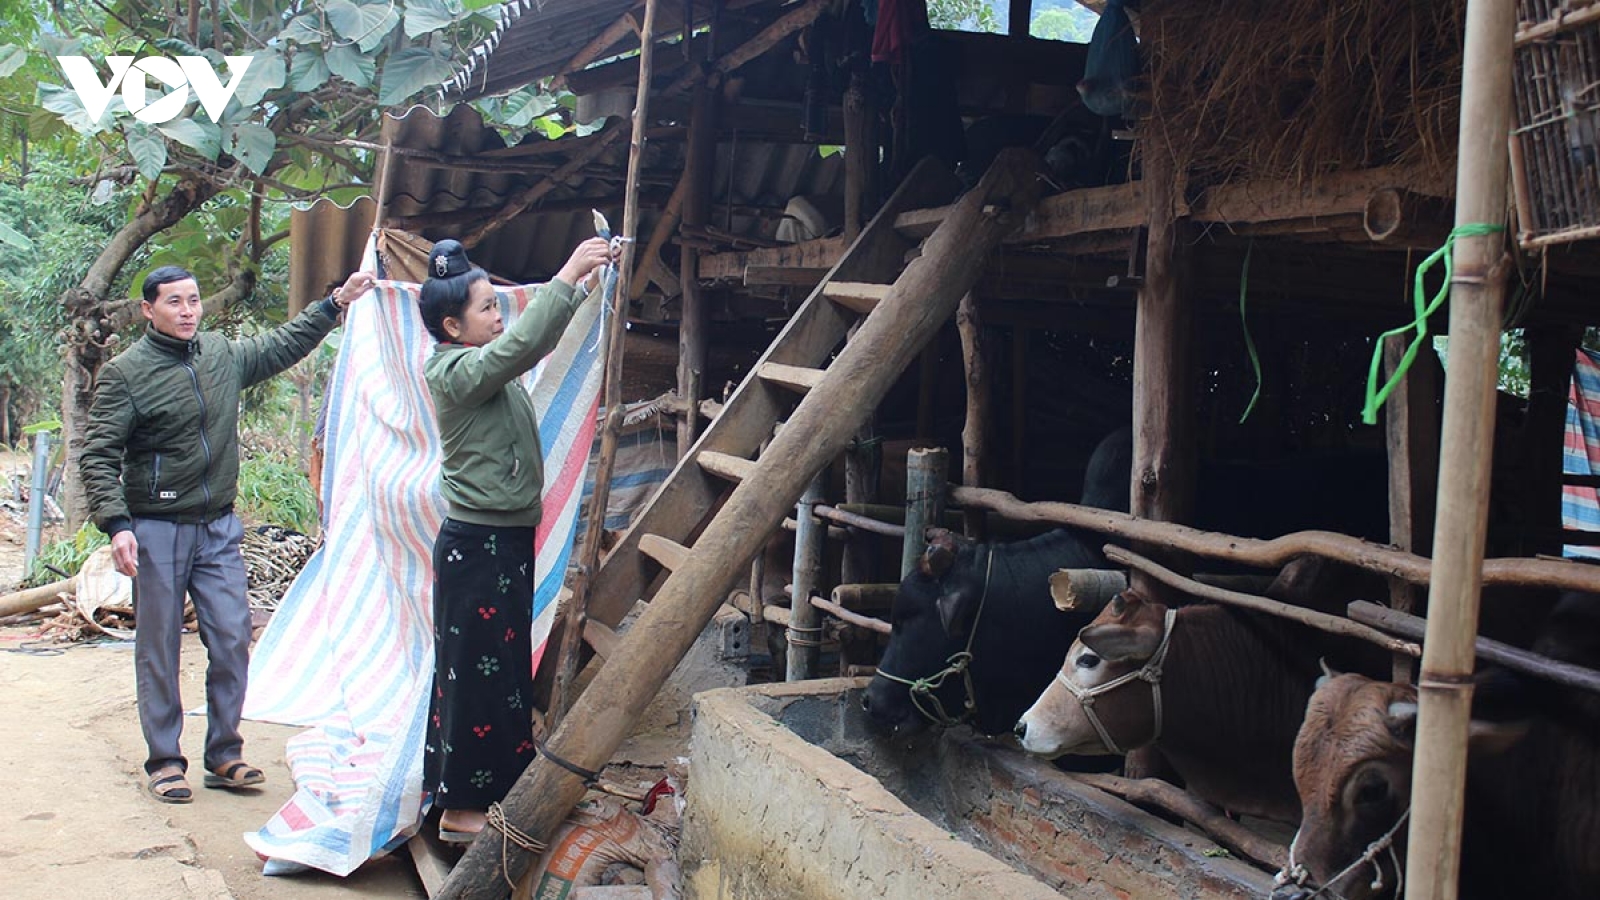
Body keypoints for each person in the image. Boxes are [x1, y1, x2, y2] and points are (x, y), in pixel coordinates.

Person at [81, 266, 376, 804]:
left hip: (216, 525)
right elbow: (98, 455)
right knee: (159, 646)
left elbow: (280, 345)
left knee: (233, 638)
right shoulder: (126, 373)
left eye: (193, 300)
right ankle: (166, 760)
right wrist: (118, 525)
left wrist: (333, 304)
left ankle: (224, 753)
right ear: (149, 310)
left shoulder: (219, 354)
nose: (188, 310)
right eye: (175, 302)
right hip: (157, 527)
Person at [419, 236, 611, 842]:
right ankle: (459, 812)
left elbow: (517, 347)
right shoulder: (454, 371)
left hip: (499, 545)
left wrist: (579, 288)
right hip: (476, 546)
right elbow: (522, 347)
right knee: (476, 674)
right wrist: (569, 273)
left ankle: (497, 785)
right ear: (453, 325)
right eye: (487, 309)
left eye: (498, 306)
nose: (499, 317)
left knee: (499, 669)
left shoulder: (483, 374)